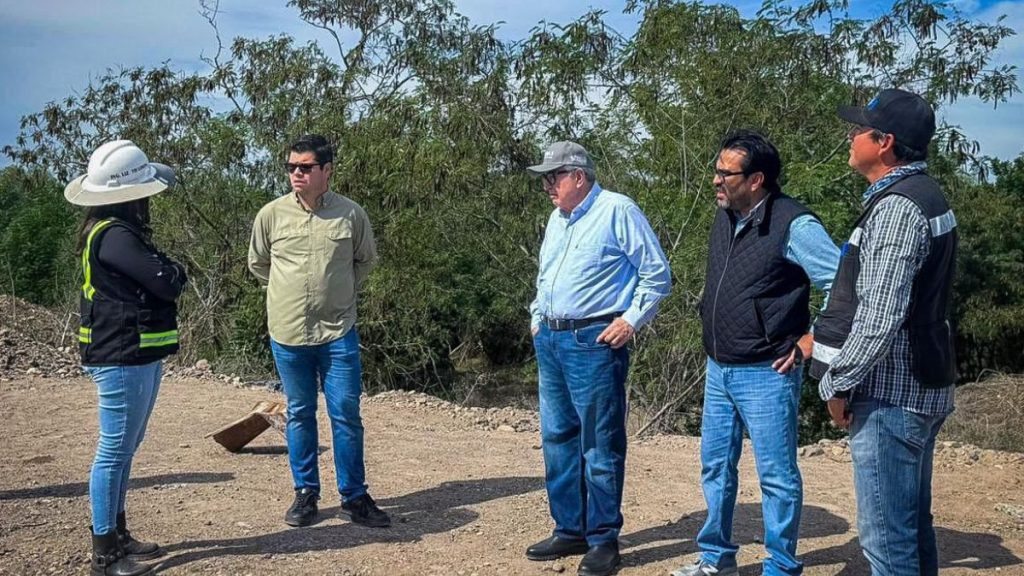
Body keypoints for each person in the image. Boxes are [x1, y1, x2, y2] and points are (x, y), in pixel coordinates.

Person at [672, 130, 839, 576]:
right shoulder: (726, 215)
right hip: (719, 366)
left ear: (757, 179)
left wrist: (811, 340)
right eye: (716, 170)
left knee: (776, 476)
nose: (715, 180)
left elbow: (845, 286)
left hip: (768, 370)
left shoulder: (794, 224)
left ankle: (781, 566)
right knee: (716, 469)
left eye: (726, 173)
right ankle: (716, 559)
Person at [812, 89, 957, 575]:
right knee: (912, 528)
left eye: (859, 130)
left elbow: (879, 316)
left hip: (893, 395)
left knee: (886, 542)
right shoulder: (927, 196)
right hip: (923, 383)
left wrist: (836, 382)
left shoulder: (896, 210)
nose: (850, 138)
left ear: (885, 143)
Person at [525, 141, 671, 576]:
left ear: (578, 176)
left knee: (600, 443)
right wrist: (537, 318)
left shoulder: (617, 210)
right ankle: (570, 527)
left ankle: (604, 538)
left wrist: (630, 320)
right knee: (557, 437)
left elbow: (657, 273)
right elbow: (546, 276)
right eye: (546, 179)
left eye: (553, 177)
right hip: (552, 339)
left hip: (594, 339)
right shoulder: (558, 219)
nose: (548, 186)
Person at [248, 134, 389, 529]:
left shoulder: (350, 215)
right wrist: (287, 295)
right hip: (288, 333)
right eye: (292, 166)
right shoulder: (271, 215)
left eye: (305, 167)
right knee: (299, 414)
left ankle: (355, 497)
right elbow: (259, 264)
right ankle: (306, 494)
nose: (296, 173)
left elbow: (365, 261)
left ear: (326, 171)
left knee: (346, 413)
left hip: (338, 331)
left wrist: (338, 293)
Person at [65, 140, 187, 576]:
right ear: (132, 195)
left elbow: (159, 277)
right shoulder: (117, 236)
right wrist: (173, 270)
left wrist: (168, 270)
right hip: (122, 354)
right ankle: (105, 554)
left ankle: (117, 534)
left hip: (133, 351)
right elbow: (166, 281)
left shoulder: (111, 232)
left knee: (125, 447)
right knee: (114, 450)